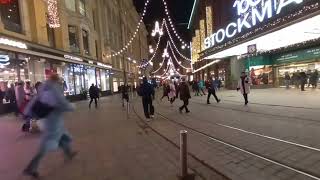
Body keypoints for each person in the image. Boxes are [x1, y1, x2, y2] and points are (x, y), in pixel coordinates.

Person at [23, 74, 77, 178]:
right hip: (53, 122)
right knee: (45, 146)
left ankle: (68, 153)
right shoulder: (54, 88)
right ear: (56, 80)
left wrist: (27, 112)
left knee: (63, 136)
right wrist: (72, 106)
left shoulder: (43, 87)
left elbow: (34, 101)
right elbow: (62, 103)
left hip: (50, 121)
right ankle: (31, 168)